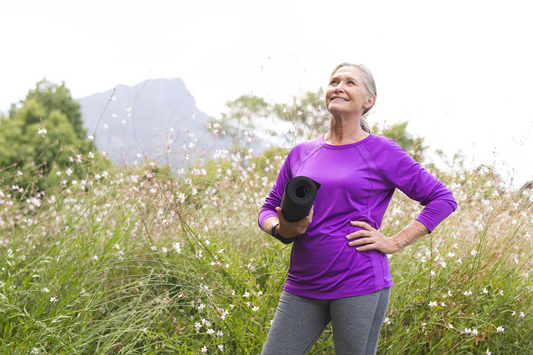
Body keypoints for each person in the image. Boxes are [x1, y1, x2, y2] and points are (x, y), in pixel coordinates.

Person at [258, 62, 457, 355]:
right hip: (302, 284)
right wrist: (280, 228)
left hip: (359, 284)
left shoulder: (381, 150)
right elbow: (268, 208)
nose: (339, 86)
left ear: (369, 100)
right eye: (334, 81)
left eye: (350, 82)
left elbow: (443, 199)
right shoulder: (302, 152)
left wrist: (393, 242)